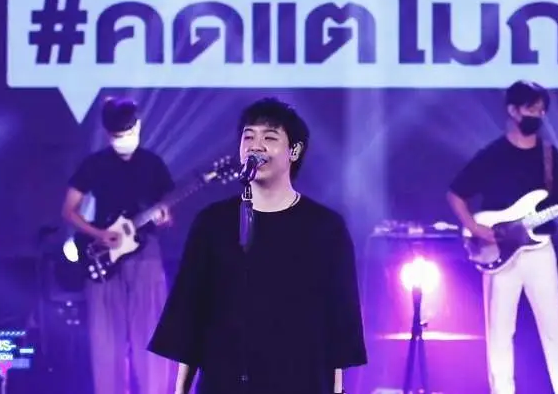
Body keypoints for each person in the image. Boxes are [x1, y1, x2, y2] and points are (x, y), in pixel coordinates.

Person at [148, 97, 368, 394]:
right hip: (224, 382)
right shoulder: (212, 223)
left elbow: (339, 323)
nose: (256, 146)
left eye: (270, 138)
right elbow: (190, 315)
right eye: (248, 137)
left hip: (300, 381)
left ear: (294, 151)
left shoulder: (325, 228)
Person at [445, 81, 558, 394]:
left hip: (540, 250)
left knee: (554, 325)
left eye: (541, 109)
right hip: (499, 252)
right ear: (513, 111)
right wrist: (475, 227)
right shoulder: (492, 155)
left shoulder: (550, 156)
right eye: (531, 108)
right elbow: (456, 194)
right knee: (500, 330)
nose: (538, 115)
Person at [61, 97, 175, 394]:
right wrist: (98, 233)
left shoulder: (153, 164)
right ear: (107, 133)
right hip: (104, 258)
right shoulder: (94, 164)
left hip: (145, 256)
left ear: (138, 126)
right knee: (106, 342)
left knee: (151, 336)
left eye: (128, 133)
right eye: (117, 135)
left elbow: (167, 213)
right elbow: (69, 210)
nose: (123, 139)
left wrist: (164, 218)